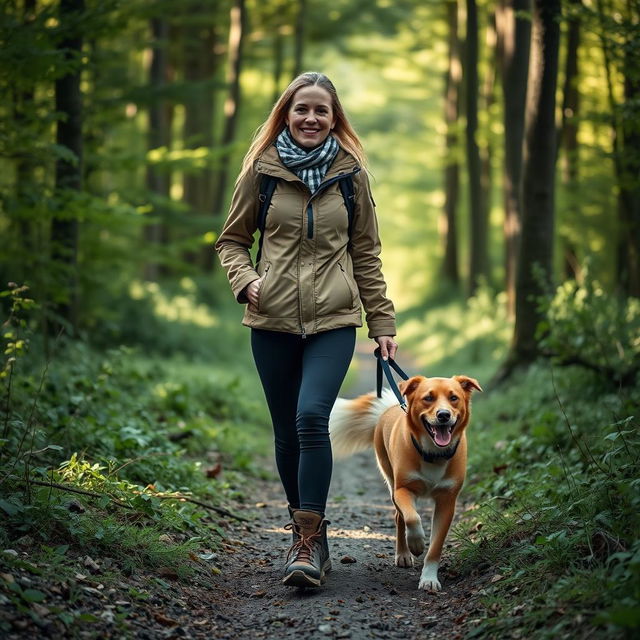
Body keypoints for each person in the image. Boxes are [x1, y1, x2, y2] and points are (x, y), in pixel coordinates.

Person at [215, 71, 398, 588]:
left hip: (334, 322)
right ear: (287, 115)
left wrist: (381, 321)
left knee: (311, 416)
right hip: (270, 321)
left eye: (322, 110)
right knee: (284, 431)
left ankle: (308, 538)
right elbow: (231, 241)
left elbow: (366, 254)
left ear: (334, 118)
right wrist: (246, 278)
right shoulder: (262, 173)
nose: (311, 118)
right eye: (302, 110)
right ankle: (307, 537)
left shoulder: (351, 176)